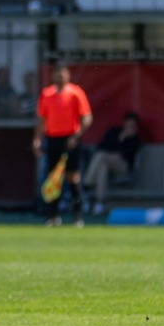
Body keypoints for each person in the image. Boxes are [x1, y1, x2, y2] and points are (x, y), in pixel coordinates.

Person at [33, 64, 93, 227]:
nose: (60, 77)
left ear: (68, 76)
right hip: (53, 139)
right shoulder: (47, 94)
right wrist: (37, 140)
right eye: (57, 74)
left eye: (62, 74)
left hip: (70, 139)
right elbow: (41, 120)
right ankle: (53, 216)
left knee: (72, 177)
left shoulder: (75, 93)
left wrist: (76, 136)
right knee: (54, 178)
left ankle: (78, 215)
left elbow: (86, 118)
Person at [83, 112, 141, 216]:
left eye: (132, 127)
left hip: (123, 167)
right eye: (128, 126)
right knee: (103, 167)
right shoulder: (113, 133)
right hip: (107, 163)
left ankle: (87, 185)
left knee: (101, 156)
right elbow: (101, 147)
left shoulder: (135, 140)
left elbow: (127, 155)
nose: (130, 129)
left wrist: (123, 141)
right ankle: (100, 202)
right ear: (124, 124)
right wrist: (119, 139)